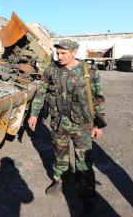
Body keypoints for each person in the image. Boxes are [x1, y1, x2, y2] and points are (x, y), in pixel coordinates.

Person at [28, 39, 106, 215]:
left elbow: (98, 98)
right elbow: (41, 91)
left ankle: (87, 197)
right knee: (59, 155)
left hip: (83, 125)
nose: (59, 56)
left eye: (63, 53)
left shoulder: (89, 71)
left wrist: (99, 125)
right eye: (58, 53)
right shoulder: (52, 69)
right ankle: (59, 181)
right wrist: (34, 114)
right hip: (59, 123)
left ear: (74, 52)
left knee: (84, 162)